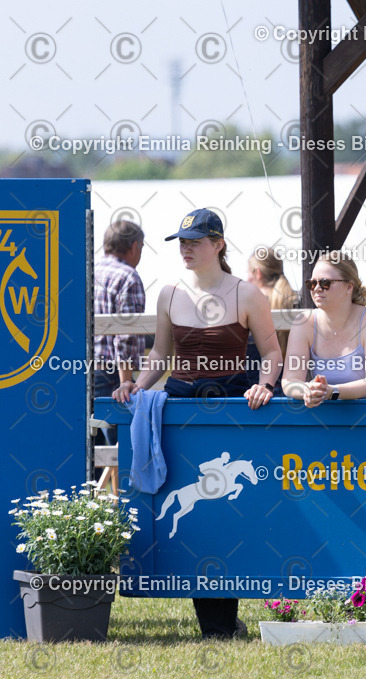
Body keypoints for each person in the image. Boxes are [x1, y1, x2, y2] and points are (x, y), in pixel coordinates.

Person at [112, 207, 282, 639]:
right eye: (181, 241)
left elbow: (273, 352)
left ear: (218, 245)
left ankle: (224, 621)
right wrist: (135, 385)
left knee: (229, 512)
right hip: (182, 409)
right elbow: (161, 355)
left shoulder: (247, 294)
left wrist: (264, 385)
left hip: (232, 407)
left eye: (195, 241)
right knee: (193, 516)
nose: (185, 248)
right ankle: (216, 623)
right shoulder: (168, 293)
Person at [283, 251, 366, 403]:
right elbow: (290, 381)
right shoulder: (303, 322)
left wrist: (332, 391)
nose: (316, 288)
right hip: (322, 417)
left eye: (325, 282)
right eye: (312, 283)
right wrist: (308, 390)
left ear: (349, 287)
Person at [93, 219, 146, 445]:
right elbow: (127, 333)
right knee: (123, 444)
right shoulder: (128, 277)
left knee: (89, 443)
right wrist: (126, 381)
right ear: (134, 246)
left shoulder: (87, 271)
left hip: (81, 368)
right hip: (111, 373)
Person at [246, 248, 299, 389]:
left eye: (248, 273)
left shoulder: (249, 305)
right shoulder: (296, 301)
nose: (246, 280)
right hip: (291, 389)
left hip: (254, 392)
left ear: (258, 273)